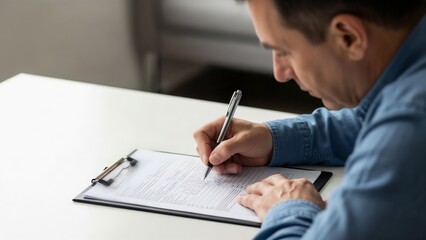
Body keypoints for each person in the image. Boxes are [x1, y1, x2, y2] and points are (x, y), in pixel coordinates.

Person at [193, 0, 426, 239]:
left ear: (348, 37)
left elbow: (398, 128)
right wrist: (274, 140)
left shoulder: (410, 130)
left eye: (283, 51)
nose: (280, 73)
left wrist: (290, 210)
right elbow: (365, 120)